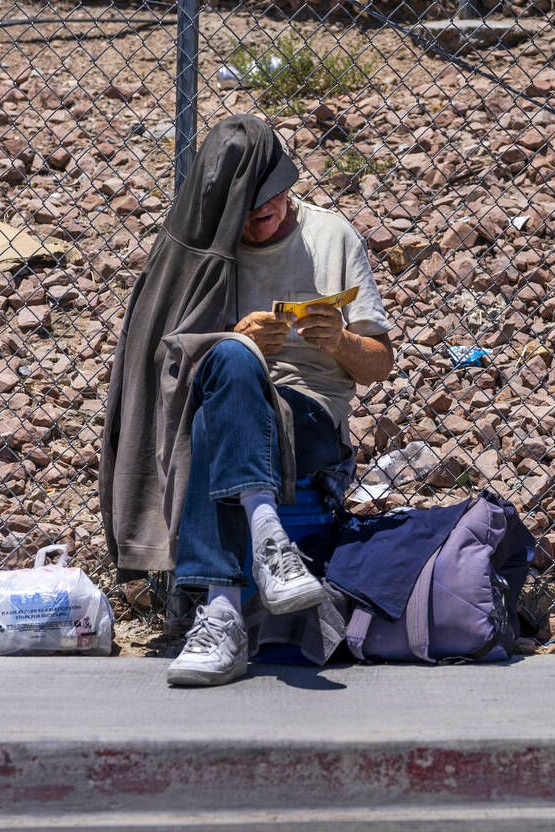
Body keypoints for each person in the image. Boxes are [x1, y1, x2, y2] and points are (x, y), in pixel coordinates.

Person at [99, 115, 393, 687]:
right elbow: (160, 358)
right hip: (220, 400)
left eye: (272, 209)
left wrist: (342, 341)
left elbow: (380, 365)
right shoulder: (206, 249)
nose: (263, 224)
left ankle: (221, 616)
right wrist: (236, 336)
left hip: (306, 410)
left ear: (286, 186)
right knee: (232, 360)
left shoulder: (332, 236)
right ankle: (267, 537)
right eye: (250, 219)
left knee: (218, 413)